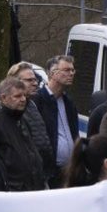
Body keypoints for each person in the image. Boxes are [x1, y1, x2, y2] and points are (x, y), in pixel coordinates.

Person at [0, 78, 48, 192]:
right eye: (17, 96)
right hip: (15, 191)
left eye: (24, 96)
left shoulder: (22, 119)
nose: (23, 99)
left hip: (33, 187)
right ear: (3, 98)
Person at [34, 55, 80, 187]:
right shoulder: (38, 101)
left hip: (70, 169)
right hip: (50, 172)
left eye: (72, 70)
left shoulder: (69, 102)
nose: (71, 73)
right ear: (52, 73)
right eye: (66, 70)